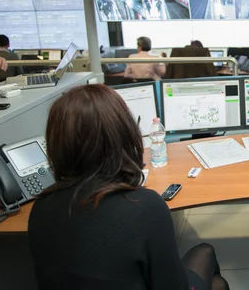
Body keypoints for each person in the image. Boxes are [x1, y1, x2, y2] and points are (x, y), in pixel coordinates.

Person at [28, 85, 229, 290]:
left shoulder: (41, 207)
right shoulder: (144, 207)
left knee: (214, 279)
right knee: (208, 257)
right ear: (124, 134)